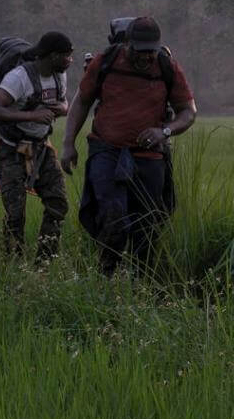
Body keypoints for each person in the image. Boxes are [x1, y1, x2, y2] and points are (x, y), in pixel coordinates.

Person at [60, 17, 197, 276]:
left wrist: (164, 131)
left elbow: (188, 112)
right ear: (126, 44)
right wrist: (68, 144)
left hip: (149, 157)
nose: (145, 58)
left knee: (147, 225)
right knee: (113, 217)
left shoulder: (167, 67)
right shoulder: (106, 62)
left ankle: (140, 283)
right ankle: (106, 276)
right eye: (138, 51)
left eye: (150, 52)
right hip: (107, 151)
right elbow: (81, 102)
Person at [0, 30, 74, 265]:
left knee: (58, 204)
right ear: (52, 55)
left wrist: (60, 109)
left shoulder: (59, 75)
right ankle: (14, 266)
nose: (70, 61)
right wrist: (32, 115)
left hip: (42, 149)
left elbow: (65, 103)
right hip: (11, 150)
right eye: (66, 56)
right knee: (15, 214)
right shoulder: (18, 78)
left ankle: (43, 264)